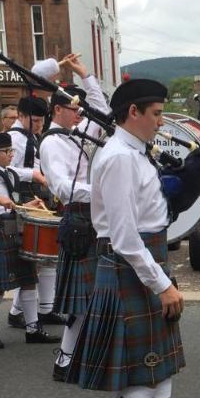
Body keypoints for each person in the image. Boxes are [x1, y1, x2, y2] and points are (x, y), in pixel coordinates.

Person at [65, 78, 200, 398]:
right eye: (158, 113)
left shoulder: (135, 153)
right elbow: (125, 236)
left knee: (160, 372)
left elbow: (149, 213)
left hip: (145, 264)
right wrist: (162, 284)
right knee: (144, 378)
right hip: (132, 267)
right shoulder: (120, 158)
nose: (162, 122)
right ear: (133, 113)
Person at [40, 59, 113, 380]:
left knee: (99, 293)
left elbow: (101, 111)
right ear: (58, 110)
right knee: (81, 301)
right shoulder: (51, 143)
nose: (80, 113)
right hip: (78, 220)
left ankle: (85, 354)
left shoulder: (77, 132)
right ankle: (65, 359)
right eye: (73, 109)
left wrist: (86, 75)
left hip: (96, 216)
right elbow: (63, 189)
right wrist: (103, 190)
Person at [0, 133, 55, 348]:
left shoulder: (10, 173)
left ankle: (33, 328)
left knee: (28, 280)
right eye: (5, 152)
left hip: (16, 231)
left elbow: (14, 199)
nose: (10, 155)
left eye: (10, 151)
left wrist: (27, 206)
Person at [5, 95, 60, 329]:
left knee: (46, 257)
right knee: (31, 259)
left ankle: (44, 308)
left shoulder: (31, 137)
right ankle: (20, 311)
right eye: (35, 120)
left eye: (41, 121)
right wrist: (35, 176)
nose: (39, 125)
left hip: (36, 198)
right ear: (21, 115)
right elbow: (3, 170)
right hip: (21, 200)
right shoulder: (12, 139)